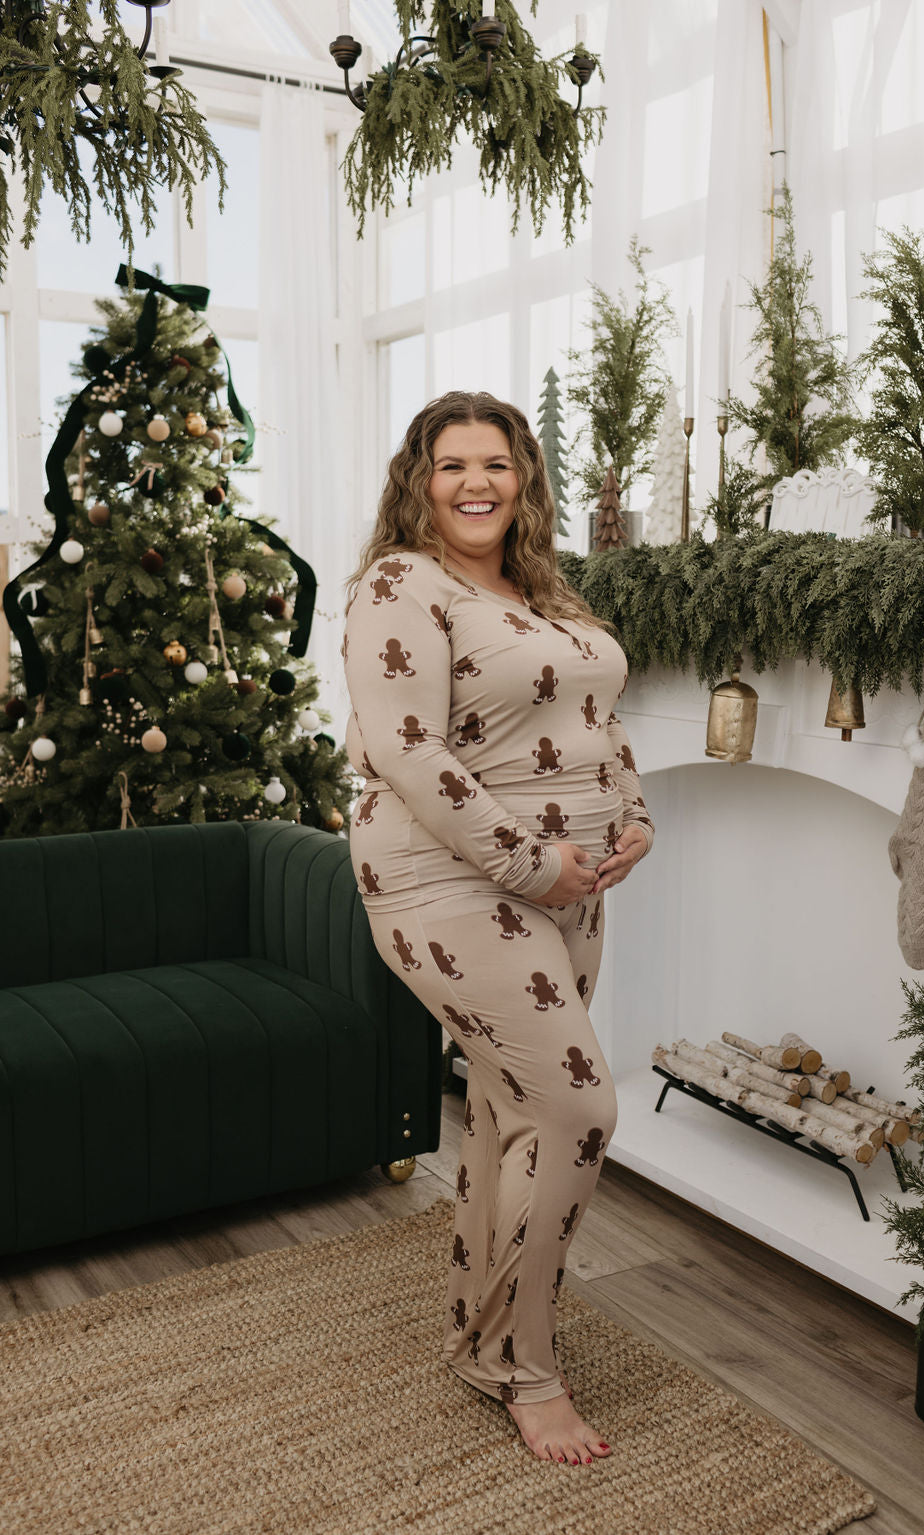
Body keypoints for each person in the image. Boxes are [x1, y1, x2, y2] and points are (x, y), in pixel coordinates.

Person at [341, 391, 655, 1466]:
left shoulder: (539, 588)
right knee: (577, 1106)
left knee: (509, 1107)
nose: (476, 482)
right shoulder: (400, 583)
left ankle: (479, 1335)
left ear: (523, 478)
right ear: (417, 480)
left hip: (571, 881)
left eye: (496, 464)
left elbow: (597, 719)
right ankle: (527, 1366)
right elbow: (408, 748)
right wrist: (532, 860)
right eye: (451, 464)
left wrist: (637, 818)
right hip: (450, 878)